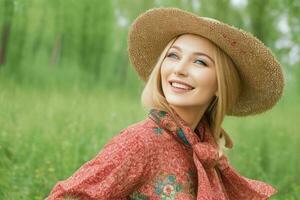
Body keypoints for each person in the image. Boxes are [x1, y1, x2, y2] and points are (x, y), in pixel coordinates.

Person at [46, 7, 285, 200]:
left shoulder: (206, 148)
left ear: (220, 86)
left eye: (200, 62)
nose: (179, 69)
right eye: (173, 55)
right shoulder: (140, 143)